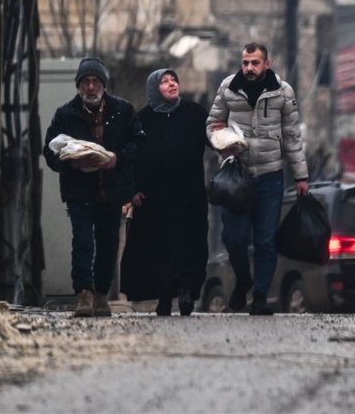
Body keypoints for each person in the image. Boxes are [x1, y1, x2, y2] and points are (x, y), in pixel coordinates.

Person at [206, 43, 309, 315]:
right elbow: (211, 125)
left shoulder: (282, 92)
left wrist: (301, 176)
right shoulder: (228, 88)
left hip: (270, 176)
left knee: (265, 241)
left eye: (255, 63)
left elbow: (292, 136)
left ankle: (261, 297)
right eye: (245, 63)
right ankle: (243, 279)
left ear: (267, 64)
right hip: (236, 177)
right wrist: (221, 141)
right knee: (234, 238)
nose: (249, 68)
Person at [43, 58, 146, 318]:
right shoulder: (65, 114)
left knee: (108, 245)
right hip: (80, 193)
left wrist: (117, 158)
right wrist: (71, 163)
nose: (91, 87)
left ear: (103, 85)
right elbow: (49, 151)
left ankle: (101, 294)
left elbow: (139, 142)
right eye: (86, 82)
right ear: (78, 86)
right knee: (83, 243)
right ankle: (83, 295)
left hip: (112, 192)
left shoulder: (122, 110)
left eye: (96, 82)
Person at [120, 69, 211, 316]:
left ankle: (186, 291)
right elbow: (130, 158)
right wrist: (132, 191)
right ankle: (164, 296)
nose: (172, 84)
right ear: (154, 89)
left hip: (189, 196)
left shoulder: (194, 113)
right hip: (154, 200)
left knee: (190, 245)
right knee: (160, 249)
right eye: (164, 81)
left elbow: (215, 139)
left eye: (174, 80)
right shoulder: (142, 120)